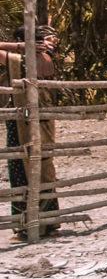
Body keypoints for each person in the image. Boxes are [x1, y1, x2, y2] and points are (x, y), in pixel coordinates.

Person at [0, 25, 60, 240]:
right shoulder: (47, 57)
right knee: (45, 166)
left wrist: (18, 46)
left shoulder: (21, 61)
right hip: (43, 120)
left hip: (23, 122)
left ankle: (25, 226)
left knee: (20, 169)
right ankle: (50, 222)